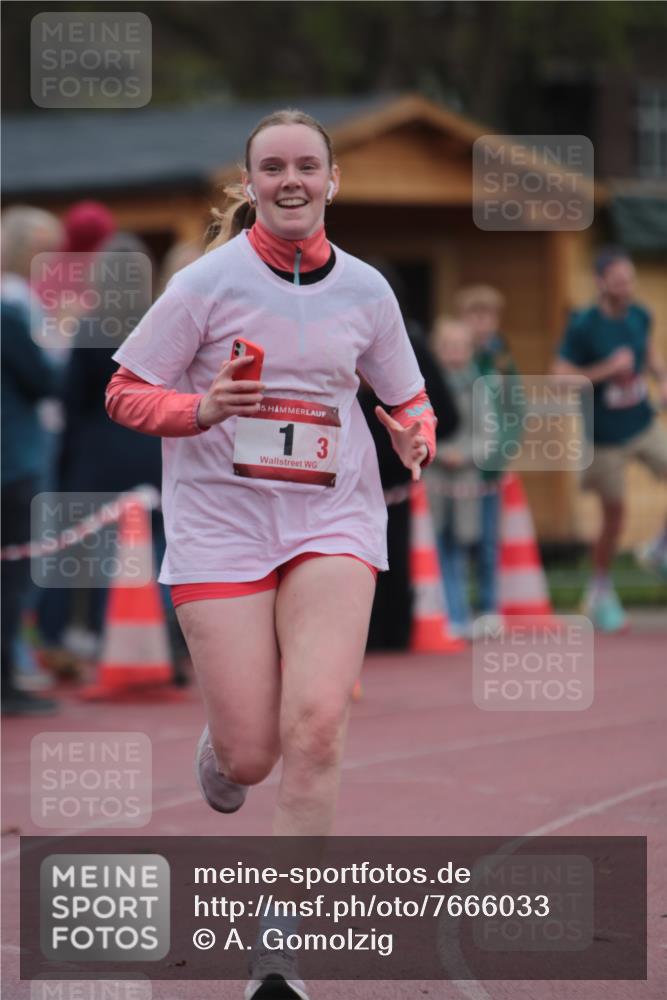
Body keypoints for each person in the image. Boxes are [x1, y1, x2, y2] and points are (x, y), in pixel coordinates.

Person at [105, 108, 437, 999]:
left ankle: (278, 941)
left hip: (333, 521)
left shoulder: (368, 289)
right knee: (254, 756)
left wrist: (413, 434)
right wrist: (199, 411)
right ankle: (223, 750)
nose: (290, 180)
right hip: (222, 526)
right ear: (249, 184)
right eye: (272, 167)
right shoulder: (206, 285)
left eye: (306, 165)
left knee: (317, 728)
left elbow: (407, 396)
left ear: (331, 181)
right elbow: (125, 391)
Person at [552, 246, 667, 631]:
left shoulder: (640, 314)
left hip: (642, 423)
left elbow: (649, 352)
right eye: (619, 280)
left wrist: (661, 380)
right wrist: (606, 370)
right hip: (604, 437)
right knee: (615, 517)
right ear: (602, 283)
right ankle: (600, 588)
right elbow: (559, 378)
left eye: (631, 278)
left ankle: (658, 547)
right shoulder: (584, 325)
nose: (627, 286)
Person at [1, 301, 61, 715]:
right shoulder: (6, 316)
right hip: (10, 465)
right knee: (10, 576)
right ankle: (5, 682)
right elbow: (43, 380)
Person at [454, 284, 523, 632]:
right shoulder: (455, 357)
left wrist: (505, 449)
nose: (482, 323)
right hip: (457, 467)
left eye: (489, 315)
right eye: (475, 315)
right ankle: (457, 608)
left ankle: (489, 606)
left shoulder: (501, 359)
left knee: (488, 539)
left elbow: (515, 406)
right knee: (457, 538)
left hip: (490, 464)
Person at [425, 317, 493, 639]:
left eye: (460, 347)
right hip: (434, 480)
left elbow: (487, 434)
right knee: (436, 543)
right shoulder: (425, 387)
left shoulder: (478, 386)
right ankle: (447, 614)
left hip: (466, 479)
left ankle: (463, 611)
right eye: (447, 346)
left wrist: (463, 455)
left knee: (462, 546)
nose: (453, 353)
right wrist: (437, 453)